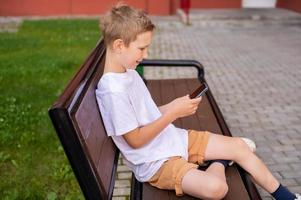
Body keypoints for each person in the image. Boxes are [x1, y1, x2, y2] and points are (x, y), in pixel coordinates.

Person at [96, 4, 300, 200]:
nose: (146, 55)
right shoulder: (113, 92)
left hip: (170, 139)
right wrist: (172, 113)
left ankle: (288, 198)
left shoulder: (127, 72)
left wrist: (174, 105)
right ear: (119, 45)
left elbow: (144, 115)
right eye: (142, 48)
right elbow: (136, 140)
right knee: (217, 188)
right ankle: (219, 162)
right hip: (156, 162)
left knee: (241, 147)